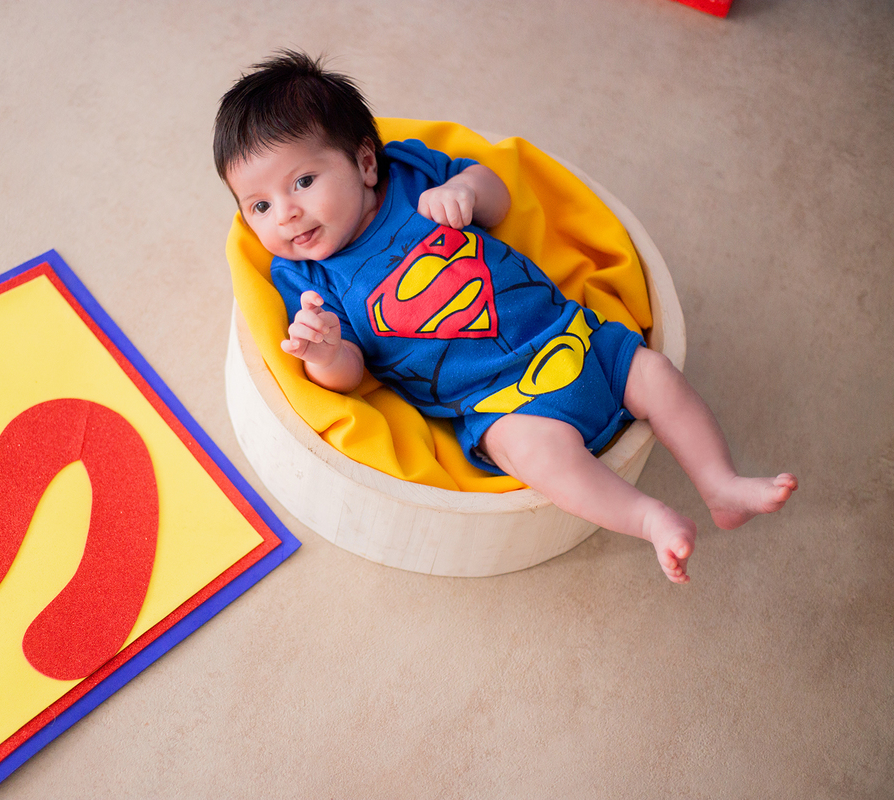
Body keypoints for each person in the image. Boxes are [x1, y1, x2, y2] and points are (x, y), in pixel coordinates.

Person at [213, 50, 796, 583]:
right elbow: (348, 377)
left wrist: (466, 189)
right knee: (540, 458)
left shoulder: (410, 173)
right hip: (497, 402)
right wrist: (323, 351)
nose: (286, 215)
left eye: (304, 182)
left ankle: (720, 484)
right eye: (259, 205)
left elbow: (498, 196)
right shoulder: (308, 280)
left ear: (366, 162)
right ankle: (648, 519)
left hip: (571, 333)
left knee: (658, 374)